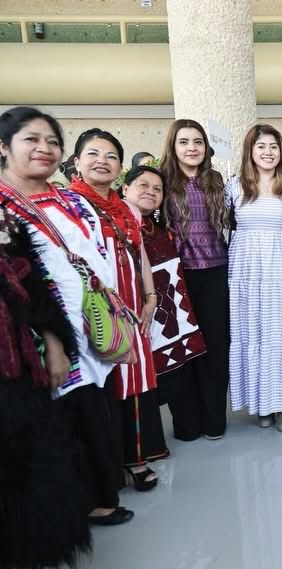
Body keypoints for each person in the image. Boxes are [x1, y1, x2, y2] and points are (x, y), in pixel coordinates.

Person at [0, 106, 132, 525]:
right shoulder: (4, 206)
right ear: (4, 147)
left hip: (89, 321)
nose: (44, 148)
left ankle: (98, 496)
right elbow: (15, 285)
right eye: (31, 139)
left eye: (52, 141)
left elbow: (95, 257)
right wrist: (52, 339)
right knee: (57, 419)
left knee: (92, 409)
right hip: (33, 340)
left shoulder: (71, 200)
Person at [70, 128, 168, 492]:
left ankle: (136, 457)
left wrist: (150, 296)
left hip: (131, 306)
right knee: (101, 383)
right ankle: (102, 470)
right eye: (93, 154)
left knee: (133, 378)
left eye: (111, 156)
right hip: (92, 307)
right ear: (77, 161)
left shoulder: (126, 208)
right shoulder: (69, 205)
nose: (103, 161)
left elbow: (138, 253)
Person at [0, 211, 93, 567]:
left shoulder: (8, 225)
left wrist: (55, 345)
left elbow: (36, 291)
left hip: (16, 366)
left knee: (30, 460)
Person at [226, 124, 282, 432]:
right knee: (253, 333)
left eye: (273, 147)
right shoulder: (234, 186)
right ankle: (261, 403)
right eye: (261, 146)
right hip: (246, 271)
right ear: (250, 151)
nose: (268, 152)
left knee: (281, 334)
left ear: (281, 152)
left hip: (281, 270)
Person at [121, 165, 207, 428]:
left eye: (157, 189)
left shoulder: (157, 224)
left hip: (172, 320)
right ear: (125, 188)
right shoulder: (118, 223)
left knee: (188, 419)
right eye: (143, 185)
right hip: (141, 318)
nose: (151, 192)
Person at [160, 119, 230, 441]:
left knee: (215, 348)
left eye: (198, 142)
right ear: (173, 147)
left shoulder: (216, 181)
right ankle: (187, 422)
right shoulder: (162, 182)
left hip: (216, 273)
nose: (192, 148)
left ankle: (214, 419)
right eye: (184, 142)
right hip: (178, 275)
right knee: (183, 350)